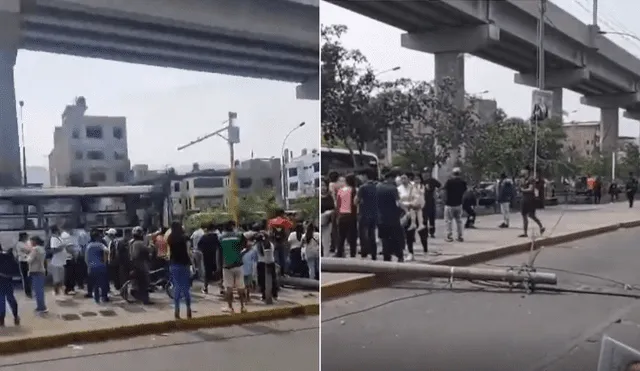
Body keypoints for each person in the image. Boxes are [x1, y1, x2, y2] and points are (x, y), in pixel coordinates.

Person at [376, 169, 405, 261]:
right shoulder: (393, 188)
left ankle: (386, 256)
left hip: (381, 218)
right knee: (396, 238)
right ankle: (399, 256)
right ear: (391, 178)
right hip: (393, 218)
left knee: (384, 239)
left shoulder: (378, 187)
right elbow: (398, 203)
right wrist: (405, 210)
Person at [219, 220, 247, 313]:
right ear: (233, 226)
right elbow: (244, 246)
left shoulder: (221, 237)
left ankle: (230, 307)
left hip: (226, 265)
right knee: (241, 287)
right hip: (238, 264)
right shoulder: (239, 235)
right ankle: (243, 307)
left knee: (228, 288)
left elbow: (219, 252)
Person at [166, 222, 192, 319]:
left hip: (174, 264)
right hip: (184, 263)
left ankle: (177, 311)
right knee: (186, 288)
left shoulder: (170, 238)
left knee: (177, 287)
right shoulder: (185, 237)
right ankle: (188, 310)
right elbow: (188, 251)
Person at [357, 168, 378, 259]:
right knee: (372, 233)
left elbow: (356, 201)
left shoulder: (362, 187)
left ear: (365, 176)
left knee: (363, 234)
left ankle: (364, 251)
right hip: (375, 213)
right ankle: (374, 253)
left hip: (364, 214)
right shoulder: (377, 186)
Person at [85, 229, 110, 304]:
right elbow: (107, 251)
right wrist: (105, 260)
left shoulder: (88, 246)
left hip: (92, 267)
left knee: (95, 284)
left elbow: (86, 258)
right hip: (101, 266)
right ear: (96, 237)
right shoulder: (100, 244)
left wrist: (88, 266)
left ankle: (97, 299)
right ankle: (104, 297)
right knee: (103, 283)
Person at [519, 166, 545, 237]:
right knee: (528, 215)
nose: (522, 172)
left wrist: (522, 190)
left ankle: (527, 232)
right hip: (525, 198)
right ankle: (539, 227)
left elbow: (531, 189)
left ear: (527, 171)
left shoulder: (531, 179)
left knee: (528, 215)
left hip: (529, 199)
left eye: (523, 170)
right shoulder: (522, 179)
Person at [398, 173, 419, 261]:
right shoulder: (398, 189)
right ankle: (403, 252)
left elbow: (416, 200)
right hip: (402, 213)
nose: (403, 180)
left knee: (410, 233)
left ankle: (410, 252)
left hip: (411, 212)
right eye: (402, 178)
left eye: (405, 178)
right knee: (402, 234)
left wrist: (410, 204)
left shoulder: (412, 188)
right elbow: (398, 201)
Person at [335, 174, 358, 258]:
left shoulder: (340, 191)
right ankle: (352, 253)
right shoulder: (354, 190)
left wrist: (338, 216)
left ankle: (339, 252)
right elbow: (355, 203)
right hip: (351, 216)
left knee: (341, 236)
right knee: (352, 236)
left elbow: (338, 204)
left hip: (342, 216)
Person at [442, 167, 467, 242]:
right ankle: (460, 236)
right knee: (459, 220)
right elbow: (464, 192)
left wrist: (444, 200)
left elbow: (444, 191)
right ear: (459, 173)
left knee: (448, 221)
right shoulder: (463, 182)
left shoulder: (449, 181)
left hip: (449, 204)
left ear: (453, 173)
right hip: (458, 204)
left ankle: (449, 236)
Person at [129, 226, 152, 305]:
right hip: (141, 265)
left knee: (137, 282)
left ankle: (139, 295)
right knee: (144, 283)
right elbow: (148, 250)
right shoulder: (140, 243)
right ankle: (145, 300)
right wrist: (151, 247)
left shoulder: (131, 242)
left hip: (133, 265)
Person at [267, 209, 293, 276]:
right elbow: (288, 231)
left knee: (275, 258)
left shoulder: (271, 221)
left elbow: (269, 233)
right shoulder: (285, 221)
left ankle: (275, 272)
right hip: (282, 242)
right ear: (282, 214)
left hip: (274, 242)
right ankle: (282, 273)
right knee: (282, 258)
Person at [0, 242, 20, 326]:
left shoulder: (5, 256)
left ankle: (1, 320)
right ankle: (16, 316)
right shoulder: (7, 256)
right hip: (7, 280)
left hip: (2, 282)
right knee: (11, 299)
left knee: (1, 301)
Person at [197, 223, 220, 294]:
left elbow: (199, 246)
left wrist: (204, 251)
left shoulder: (204, 237)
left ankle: (206, 288)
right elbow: (219, 246)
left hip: (206, 257)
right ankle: (222, 288)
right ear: (214, 229)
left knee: (207, 273)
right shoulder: (216, 237)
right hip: (216, 257)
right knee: (218, 272)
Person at [27, 236, 47, 314]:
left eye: (31, 241)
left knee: (37, 291)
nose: (30, 243)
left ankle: (41, 307)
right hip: (41, 270)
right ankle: (42, 306)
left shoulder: (35, 249)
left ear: (35, 241)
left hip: (35, 271)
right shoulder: (42, 248)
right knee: (40, 291)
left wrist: (27, 256)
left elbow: (29, 260)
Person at [48, 225, 68, 296]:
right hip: (56, 262)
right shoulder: (53, 238)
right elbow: (54, 250)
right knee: (56, 279)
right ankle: (56, 292)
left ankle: (60, 291)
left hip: (61, 262)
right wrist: (62, 247)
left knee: (61, 279)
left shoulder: (59, 238)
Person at [422, 169, 441, 238]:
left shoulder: (432, 180)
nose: (425, 174)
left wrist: (437, 193)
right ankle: (425, 232)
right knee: (424, 218)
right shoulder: (421, 181)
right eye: (424, 173)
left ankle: (432, 232)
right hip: (423, 202)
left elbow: (440, 186)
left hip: (431, 201)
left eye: (427, 172)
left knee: (431, 218)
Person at [15, 232, 31, 298]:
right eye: (26, 236)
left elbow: (30, 250)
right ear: (22, 237)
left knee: (29, 277)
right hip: (23, 262)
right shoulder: (19, 244)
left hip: (28, 261)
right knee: (25, 277)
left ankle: (29, 291)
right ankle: (27, 292)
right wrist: (29, 250)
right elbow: (28, 251)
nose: (27, 237)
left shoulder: (26, 243)